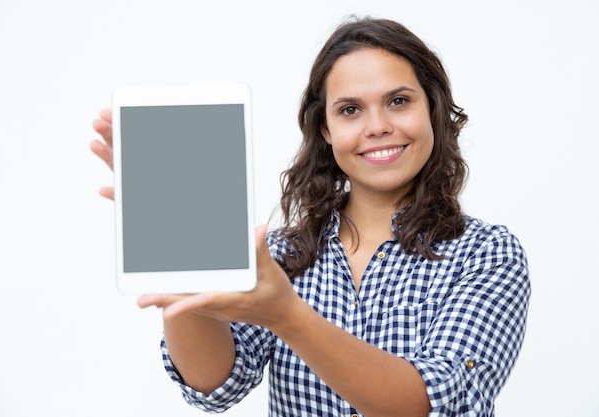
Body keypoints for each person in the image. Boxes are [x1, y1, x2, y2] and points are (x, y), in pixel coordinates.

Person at [91, 16, 530, 417]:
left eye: (398, 101)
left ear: (432, 110)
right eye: (350, 110)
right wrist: (178, 252)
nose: (376, 126)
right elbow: (215, 384)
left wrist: (289, 317)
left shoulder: (486, 254)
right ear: (326, 128)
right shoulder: (280, 255)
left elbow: (430, 406)